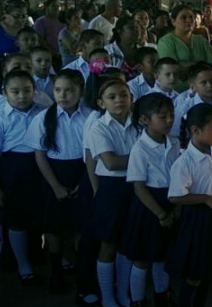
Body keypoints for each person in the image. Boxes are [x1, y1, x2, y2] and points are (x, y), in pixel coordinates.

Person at [167, 103, 212, 307]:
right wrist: (205, 198)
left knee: (208, 269)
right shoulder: (185, 162)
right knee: (195, 273)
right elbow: (175, 196)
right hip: (196, 219)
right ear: (195, 131)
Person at [24, 70, 89, 293]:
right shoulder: (43, 118)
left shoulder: (89, 116)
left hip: (82, 173)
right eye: (58, 90)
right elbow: (40, 155)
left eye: (70, 90)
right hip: (54, 175)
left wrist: (84, 182)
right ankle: (56, 272)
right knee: (54, 228)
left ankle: (83, 272)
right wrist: (55, 186)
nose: (63, 95)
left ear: (81, 91)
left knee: (81, 227)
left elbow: (92, 156)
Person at [0, 70, 46, 285]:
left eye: (27, 90)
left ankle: (38, 254)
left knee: (40, 216)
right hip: (13, 173)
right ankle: (22, 264)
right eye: (15, 91)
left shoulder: (43, 113)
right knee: (17, 221)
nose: (21, 96)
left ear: (34, 91)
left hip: (40, 171)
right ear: (4, 93)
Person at [121, 93, 179, 307]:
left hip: (170, 200)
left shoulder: (174, 142)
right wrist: (161, 214)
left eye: (171, 115)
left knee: (163, 254)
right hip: (149, 206)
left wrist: (174, 209)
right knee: (142, 258)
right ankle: (137, 300)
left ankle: (162, 294)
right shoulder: (140, 148)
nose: (169, 120)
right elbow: (138, 186)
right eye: (162, 117)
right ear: (145, 120)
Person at [88, 79, 141, 307]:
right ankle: (107, 297)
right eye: (112, 97)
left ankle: (123, 294)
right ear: (101, 103)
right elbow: (110, 162)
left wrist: (139, 162)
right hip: (111, 188)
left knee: (127, 242)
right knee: (108, 243)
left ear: (131, 98)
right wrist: (143, 160)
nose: (119, 100)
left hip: (135, 186)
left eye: (124, 95)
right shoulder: (98, 127)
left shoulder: (140, 124)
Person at [157, 5, 212, 91]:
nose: (189, 20)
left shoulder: (201, 40)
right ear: (173, 21)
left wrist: (185, 64)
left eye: (191, 17)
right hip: (176, 89)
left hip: (202, 89)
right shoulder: (165, 42)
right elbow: (172, 67)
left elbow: (211, 64)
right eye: (183, 17)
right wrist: (200, 65)